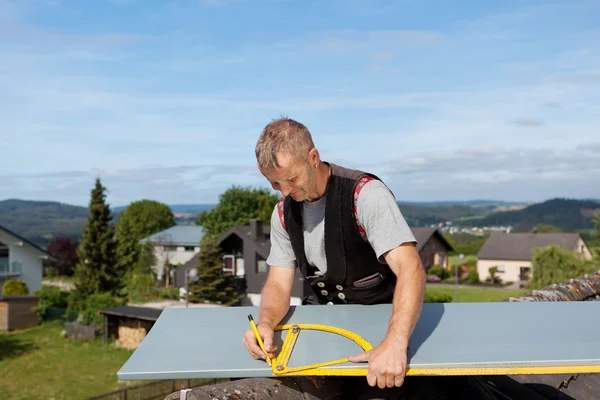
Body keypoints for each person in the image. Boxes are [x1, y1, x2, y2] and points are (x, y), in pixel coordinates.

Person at [242, 117, 427, 399]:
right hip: (326, 329)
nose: (286, 191)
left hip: (382, 325)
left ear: (313, 157)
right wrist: (265, 322)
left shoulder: (365, 195)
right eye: (275, 184)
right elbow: (278, 284)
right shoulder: (282, 212)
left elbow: (410, 268)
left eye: (291, 178)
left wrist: (395, 342)